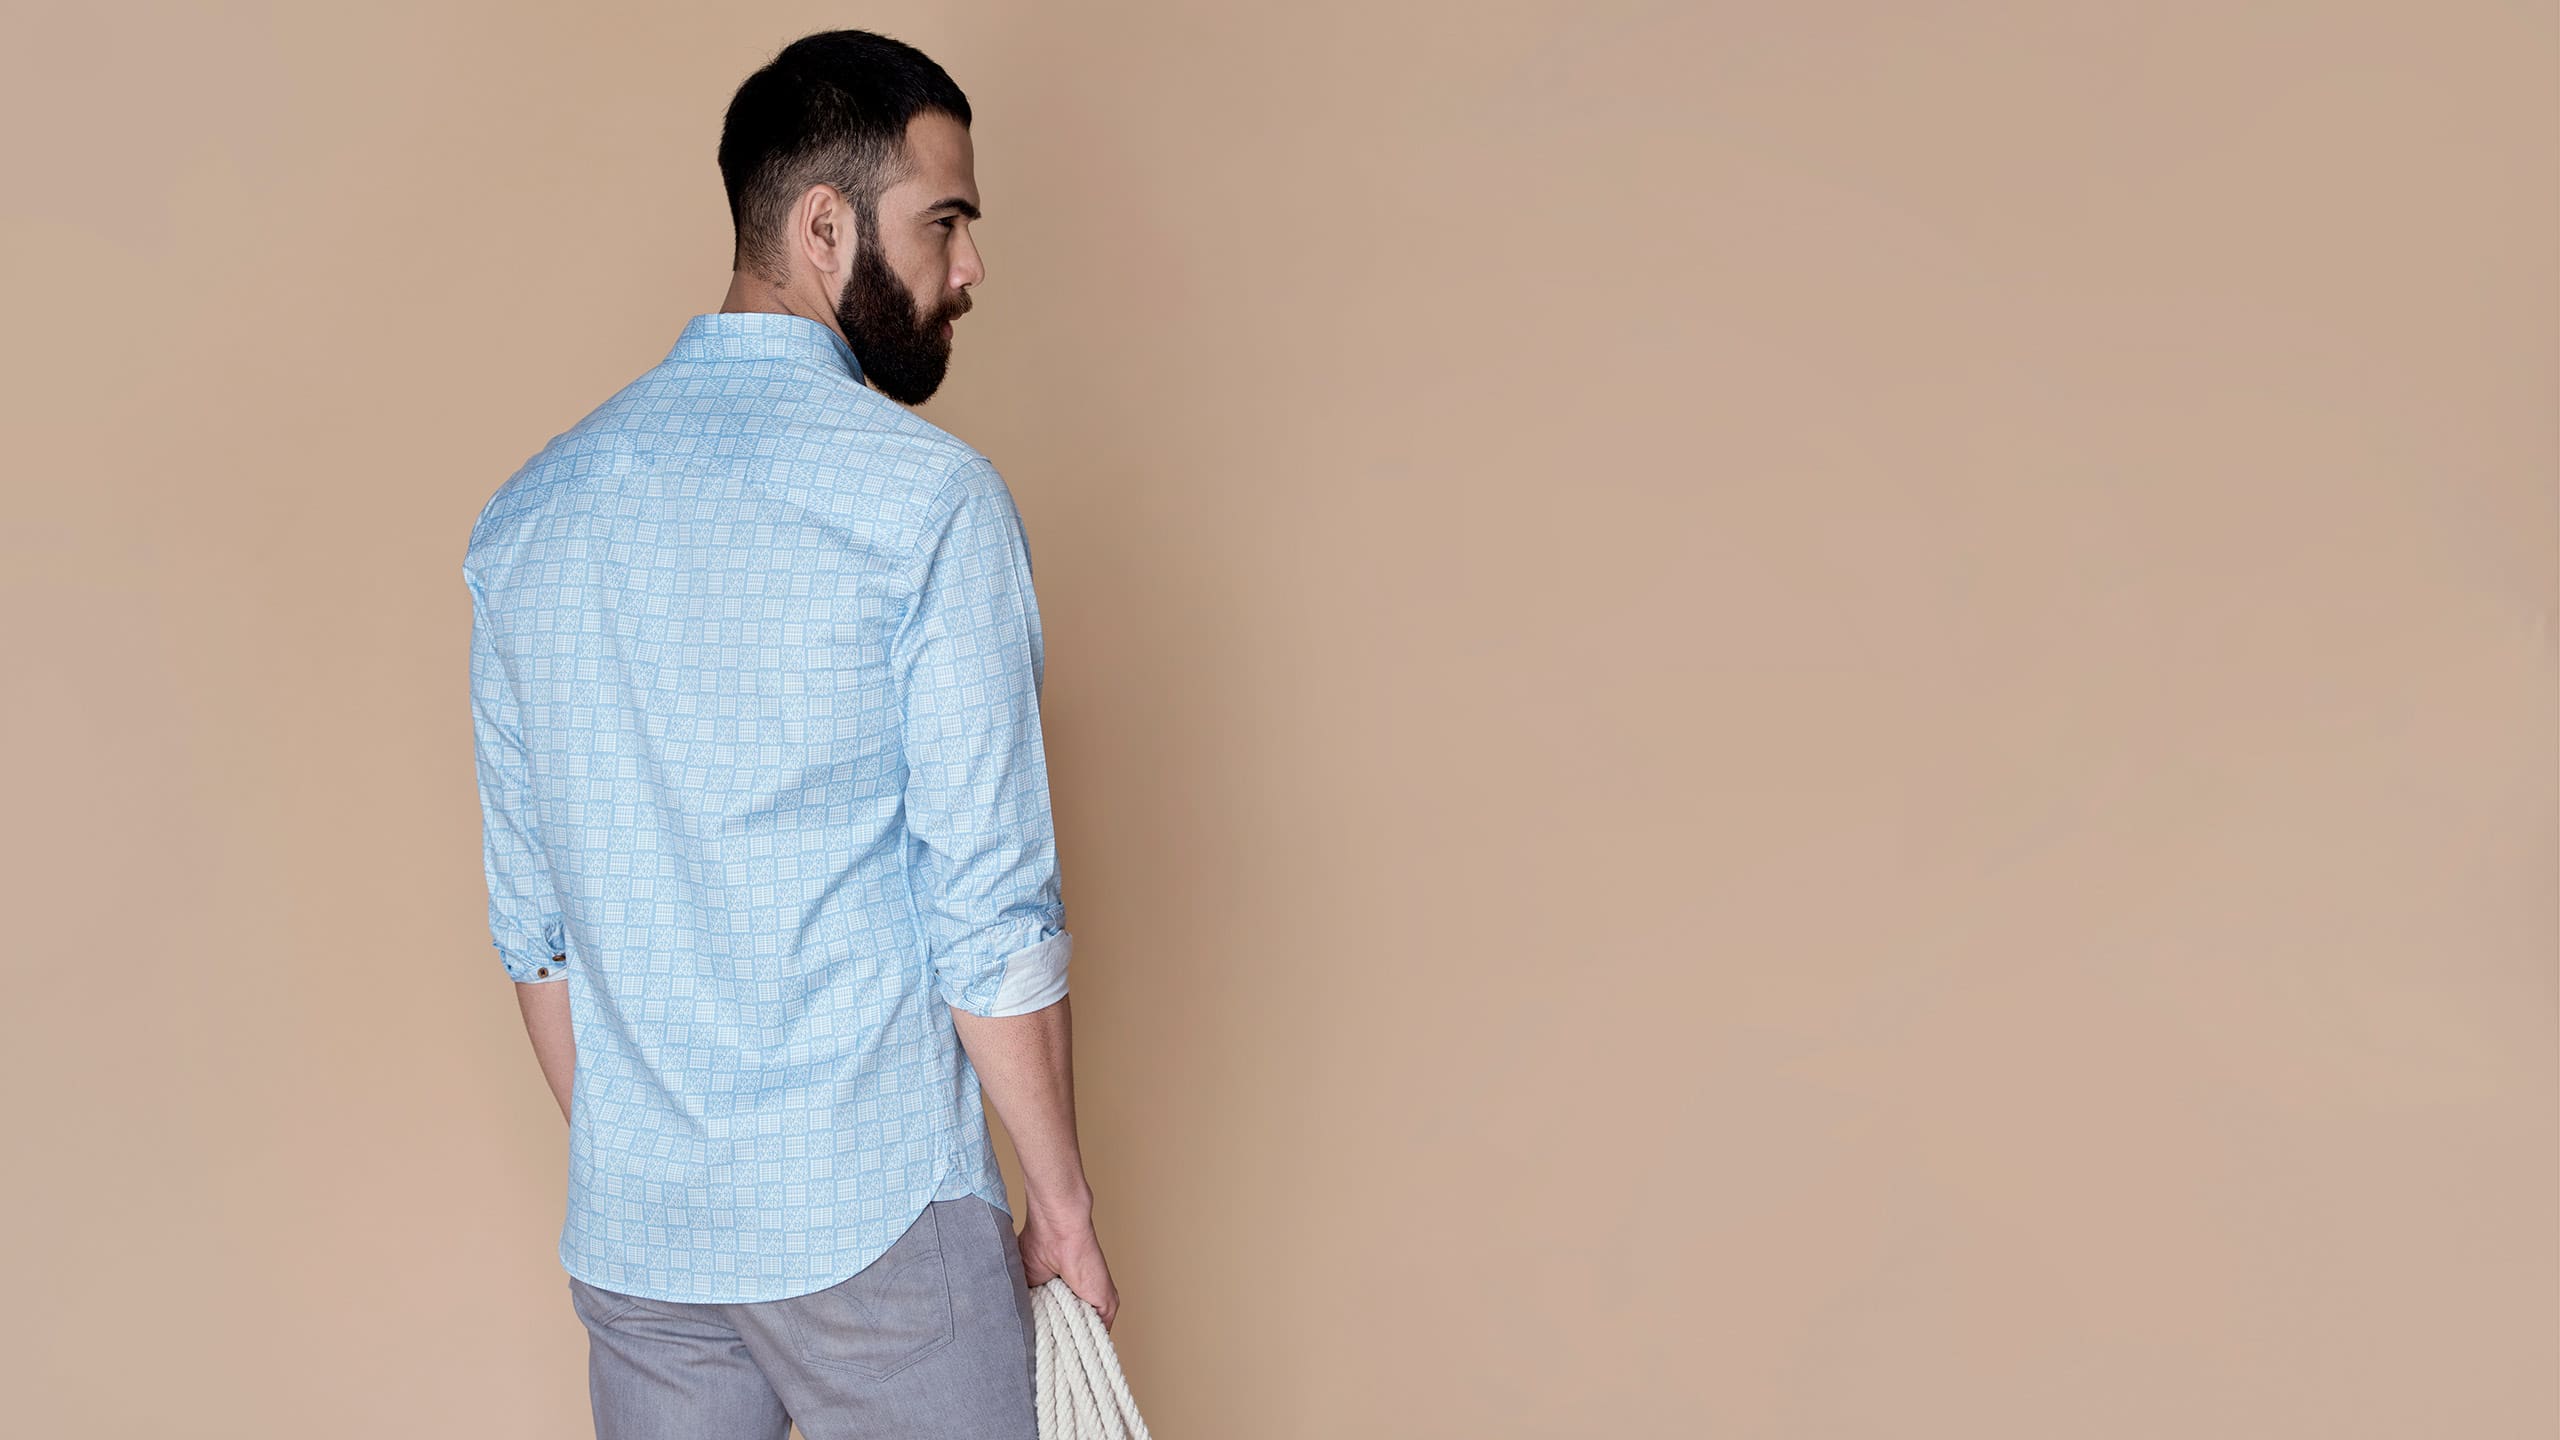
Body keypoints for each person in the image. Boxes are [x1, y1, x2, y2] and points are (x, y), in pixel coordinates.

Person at [460, 28, 1116, 1439]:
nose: (970, 269)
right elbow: (990, 916)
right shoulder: (927, 504)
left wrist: (671, 1173)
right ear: (825, 227)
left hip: (645, 1242)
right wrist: (1059, 1207)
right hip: (878, 1216)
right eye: (945, 221)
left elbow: (537, 934)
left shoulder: (529, 520)